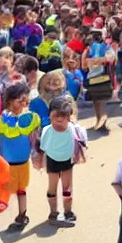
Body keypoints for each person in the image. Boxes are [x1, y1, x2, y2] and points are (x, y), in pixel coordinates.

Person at [0, 83, 41, 224]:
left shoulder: (32, 118)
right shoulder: (0, 121)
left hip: (23, 163)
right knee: (3, 189)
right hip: (5, 164)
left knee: (21, 189)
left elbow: (35, 138)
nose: (23, 103)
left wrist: (38, 153)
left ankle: (22, 214)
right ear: (9, 101)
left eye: (26, 100)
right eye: (20, 100)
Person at [38, 96, 87, 224]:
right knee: (52, 186)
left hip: (67, 160)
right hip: (52, 160)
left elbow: (82, 141)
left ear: (69, 117)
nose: (59, 120)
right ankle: (53, 211)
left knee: (67, 187)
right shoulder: (47, 130)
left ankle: (68, 211)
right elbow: (42, 148)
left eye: (63, 117)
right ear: (49, 116)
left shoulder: (73, 128)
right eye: (55, 118)